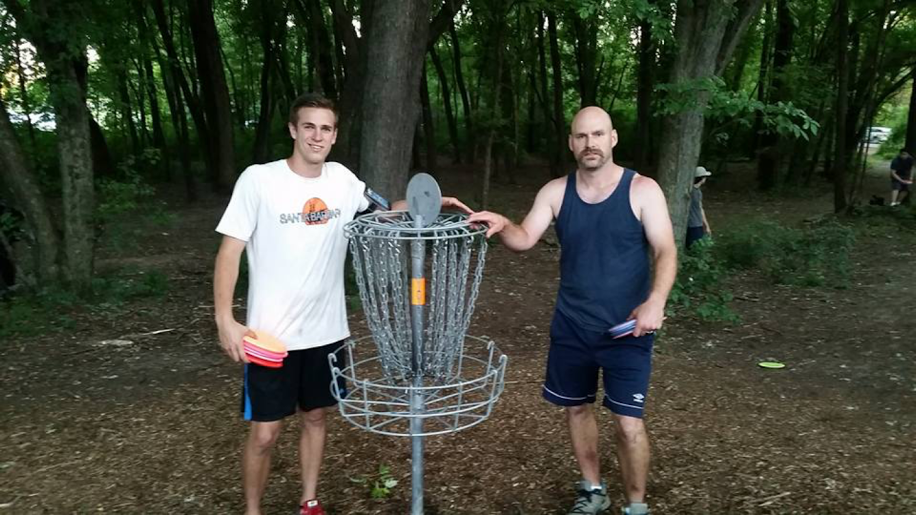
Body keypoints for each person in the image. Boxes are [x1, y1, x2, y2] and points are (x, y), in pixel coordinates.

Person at [213, 93, 470, 515]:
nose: (318, 136)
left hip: (327, 332)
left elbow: (382, 212)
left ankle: (309, 501)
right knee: (265, 434)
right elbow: (229, 251)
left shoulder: (342, 181)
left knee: (316, 418)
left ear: (334, 135)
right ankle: (252, 510)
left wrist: (430, 205)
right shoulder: (259, 180)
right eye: (309, 126)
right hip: (269, 338)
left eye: (326, 128)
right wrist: (225, 319)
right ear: (293, 130)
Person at [469, 107, 677, 515]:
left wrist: (656, 300)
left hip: (627, 329)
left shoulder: (643, 190)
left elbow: (666, 249)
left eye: (598, 135)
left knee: (628, 422)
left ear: (613, 138)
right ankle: (593, 489)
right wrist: (502, 222)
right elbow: (525, 237)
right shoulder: (555, 192)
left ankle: (636, 506)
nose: (590, 144)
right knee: (576, 407)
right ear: (571, 143)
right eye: (581, 136)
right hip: (572, 326)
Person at [686, 166, 712, 248]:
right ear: (702, 178)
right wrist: (706, 225)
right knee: (695, 247)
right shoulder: (696, 192)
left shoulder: (692, 190)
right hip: (696, 224)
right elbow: (700, 209)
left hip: (690, 224)